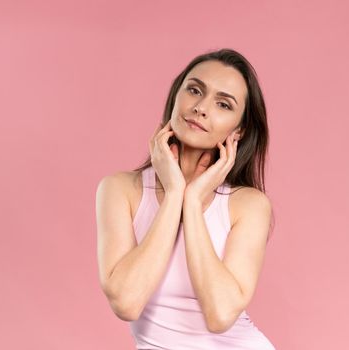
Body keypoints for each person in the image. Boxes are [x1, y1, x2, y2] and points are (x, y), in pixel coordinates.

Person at [95, 48, 276, 349]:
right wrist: (175, 193)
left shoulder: (248, 205)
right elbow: (126, 302)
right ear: (175, 96)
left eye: (223, 104)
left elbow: (220, 315)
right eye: (194, 90)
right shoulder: (120, 190)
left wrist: (192, 203)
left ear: (239, 130)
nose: (201, 108)